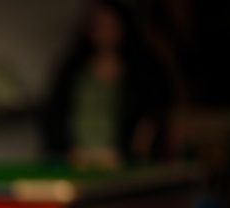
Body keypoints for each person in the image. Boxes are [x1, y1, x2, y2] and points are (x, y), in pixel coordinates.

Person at [41, 0, 174, 170]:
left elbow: (153, 117)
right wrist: (68, 150)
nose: (105, 33)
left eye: (111, 25)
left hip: (123, 161)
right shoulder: (73, 67)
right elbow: (54, 115)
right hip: (75, 159)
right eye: (100, 26)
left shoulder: (143, 68)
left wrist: (127, 152)